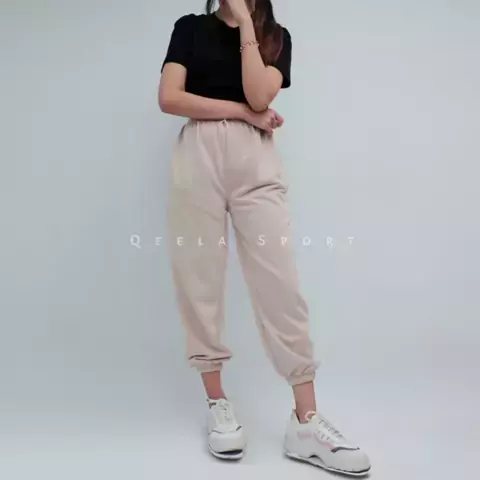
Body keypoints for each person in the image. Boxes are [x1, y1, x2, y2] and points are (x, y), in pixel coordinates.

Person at [158, 0, 371, 475]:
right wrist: (239, 112)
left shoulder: (276, 38)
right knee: (198, 279)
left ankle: (306, 421)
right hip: (197, 158)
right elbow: (170, 98)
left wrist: (245, 28)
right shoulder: (190, 28)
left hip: (255, 161)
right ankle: (217, 403)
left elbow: (260, 97)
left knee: (280, 284)